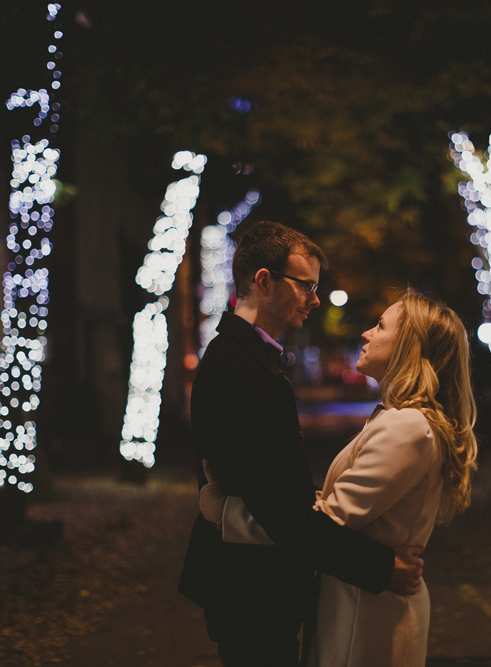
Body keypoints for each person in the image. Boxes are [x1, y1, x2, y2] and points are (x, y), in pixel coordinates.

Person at [178, 221, 424, 667]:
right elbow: (281, 515)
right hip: (249, 587)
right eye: (306, 285)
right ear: (264, 281)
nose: (314, 298)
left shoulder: (253, 360)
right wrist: (382, 569)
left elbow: (272, 494)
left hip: (258, 583)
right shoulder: (239, 368)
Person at [203, 288, 479, 667]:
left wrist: (227, 514)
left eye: (380, 326)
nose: (366, 333)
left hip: (369, 613)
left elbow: (325, 522)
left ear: (408, 348)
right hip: (358, 601)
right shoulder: (397, 419)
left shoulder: (408, 427)